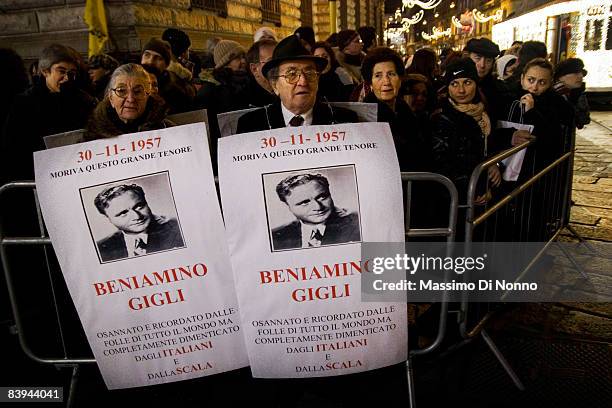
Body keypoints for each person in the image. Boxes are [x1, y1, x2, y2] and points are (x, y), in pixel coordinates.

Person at [2, 43, 97, 180]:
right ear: (45, 71)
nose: (67, 78)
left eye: (71, 73)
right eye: (61, 71)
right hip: (39, 177)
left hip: (79, 174)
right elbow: (13, 147)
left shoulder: (84, 100)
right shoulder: (24, 103)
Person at [236, 35, 357, 134]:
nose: (303, 82)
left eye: (310, 73)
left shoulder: (345, 121)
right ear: (275, 85)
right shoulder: (251, 125)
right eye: (292, 74)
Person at [431, 58, 501, 204]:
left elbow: (487, 147)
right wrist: (477, 189)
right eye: (454, 84)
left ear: (476, 84)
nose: (461, 90)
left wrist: (493, 163)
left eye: (467, 83)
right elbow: (445, 164)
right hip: (457, 200)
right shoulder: (441, 118)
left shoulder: (484, 113)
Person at [361, 47, 429, 172]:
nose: (386, 81)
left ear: (400, 79)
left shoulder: (405, 111)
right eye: (378, 76)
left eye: (391, 74)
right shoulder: (365, 116)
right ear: (370, 83)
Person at [94, 184, 184, 262]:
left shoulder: (179, 228)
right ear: (108, 218)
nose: (137, 217)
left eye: (139, 206)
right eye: (123, 213)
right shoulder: (101, 248)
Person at [272, 173, 360, 250]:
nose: (318, 207)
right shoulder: (275, 237)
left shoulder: (358, 224)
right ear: (289, 207)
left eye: (322, 197)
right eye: (304, 202)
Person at [85, 64, 173, 140]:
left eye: (138, 91)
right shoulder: (94, 135)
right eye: (121, 91)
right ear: (111, 98)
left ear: (148, 96)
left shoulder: (167, 130)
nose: (130, 99)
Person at [141, 37, 195, 114]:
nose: (150, 61)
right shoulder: (131, 80)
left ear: (166, 64)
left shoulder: (177, 90)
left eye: (158, 58)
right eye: (147, 55)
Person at [194, 39, 250, 113]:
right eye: (237, 58)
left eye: (243, 57)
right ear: (225, 63)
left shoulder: (249, 82)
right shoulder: (209, 91)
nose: (243, 61)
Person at [553, 58, 590, 129]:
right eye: (575, 73)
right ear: (560, 77)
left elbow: (584, 120)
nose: (581, 76)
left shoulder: (574, 93)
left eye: (581, 73)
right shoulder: (554, 96)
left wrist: (579, 96)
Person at [245, 39, 278, 107]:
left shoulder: (288, 90)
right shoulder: (244, 99)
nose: (278, 66)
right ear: (254, 69)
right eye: (271, 61)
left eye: (279, 61)